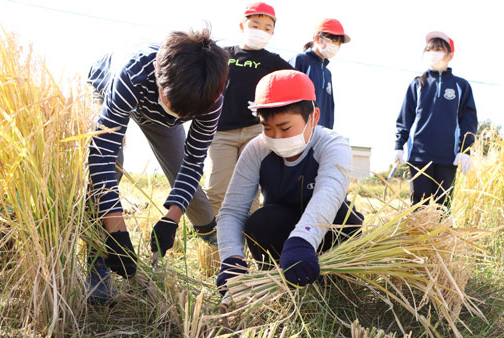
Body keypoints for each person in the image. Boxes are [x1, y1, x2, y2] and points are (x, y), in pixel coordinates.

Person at [85, 27, 229, 303]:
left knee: (184, 178)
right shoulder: (133, 73)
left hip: (167, 102)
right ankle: (98, 258)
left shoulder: (209, 97)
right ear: (156, 74)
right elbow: (101, 153)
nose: (178, 116)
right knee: (110, 167)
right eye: (172, 105)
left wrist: (171, 220)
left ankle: (221, 246)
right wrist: (117, 231)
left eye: (186, 115)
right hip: (110, 87)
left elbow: (193, 161)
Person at [216, 70, 363, 292]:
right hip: (282, 230)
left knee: (346, 217)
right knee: (260, 222)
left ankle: (337, 283)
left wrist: (302, 241)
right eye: (267, 128)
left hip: (327, 229)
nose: (276, 137)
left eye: (285, 128)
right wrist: (231, 259)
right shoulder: (256, 150)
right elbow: (233, 211)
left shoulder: (332, 144)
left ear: (313, 117)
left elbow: (329, 194)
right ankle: (281, 282)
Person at [203, 2, 293, 218]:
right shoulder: (222, 54)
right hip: (220, 133)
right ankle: (213, 248)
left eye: (267, 27)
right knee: (216, 191)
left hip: (255, 133)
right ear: (242, 26)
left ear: (272, 33)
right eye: (255, 25)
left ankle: (245, 247)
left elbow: (295, 88)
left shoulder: (275, 62)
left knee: (249, 193)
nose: (260, 31)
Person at [394, 31, 477, 207]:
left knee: (443, 207)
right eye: (430, 49)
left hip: (448, 157)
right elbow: (405, 118)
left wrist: (465, 150)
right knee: (418, 207)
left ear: (450, 55)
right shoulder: (417, 84)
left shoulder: (461, 86)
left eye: (438, 49)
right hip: (419, 156)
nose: (434, 53)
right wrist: (398, 146)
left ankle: (442, 235)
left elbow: (468, 121)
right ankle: (416, 236)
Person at [288, 18, 350, 129]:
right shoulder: (301, 60)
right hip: (300, 129)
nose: (336, 45)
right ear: (317, 38)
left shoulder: (327, 73)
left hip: (320, 133)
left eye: (339, 42)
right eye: (333, 40)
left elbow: (328, 108)